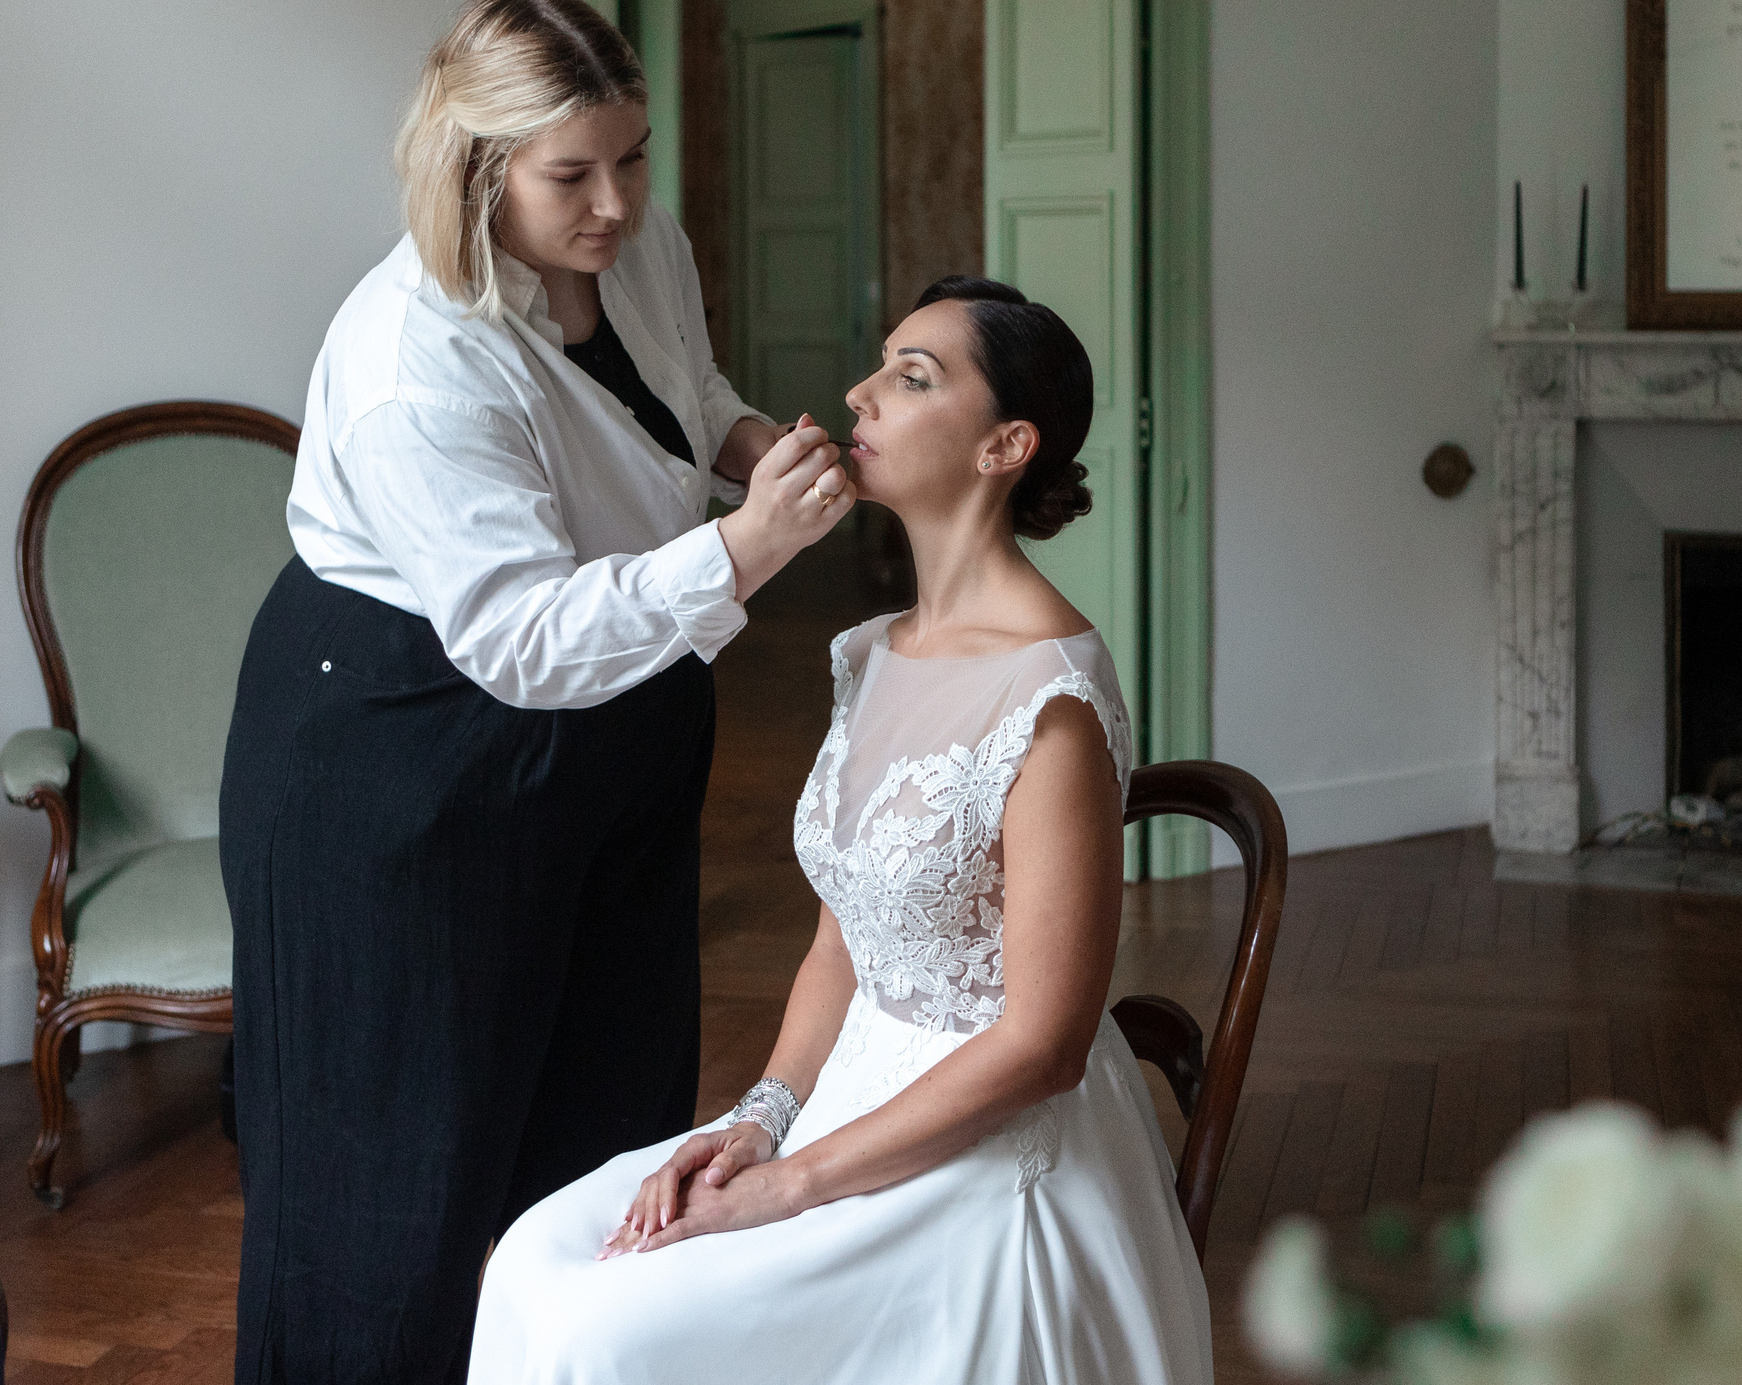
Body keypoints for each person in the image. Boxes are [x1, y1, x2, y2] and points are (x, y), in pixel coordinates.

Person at [218, 0, 851, 1385]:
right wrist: (745, 548)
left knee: (604, 1106)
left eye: (633, 156)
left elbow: (680, 393)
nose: (618, 201)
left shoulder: (642, 244)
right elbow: (515, 636)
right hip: (404, 745)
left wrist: (746, 443)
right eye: (575, 173)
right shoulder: (412, 358)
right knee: (402, 1163)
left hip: (614, 722)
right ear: (479, 164)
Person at [466, 278, 1215, 1385]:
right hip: (845, 1094)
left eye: (912, 378)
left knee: (605, 1331)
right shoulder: (869, 653)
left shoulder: (1052, 698)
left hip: (984, 1144)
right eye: (880, 365)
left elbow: (1044, 1049)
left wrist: (791, 1185)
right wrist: (760, 1121)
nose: (859, 393)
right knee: (533, 1258)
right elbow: (840, 945)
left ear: (1005, 444)